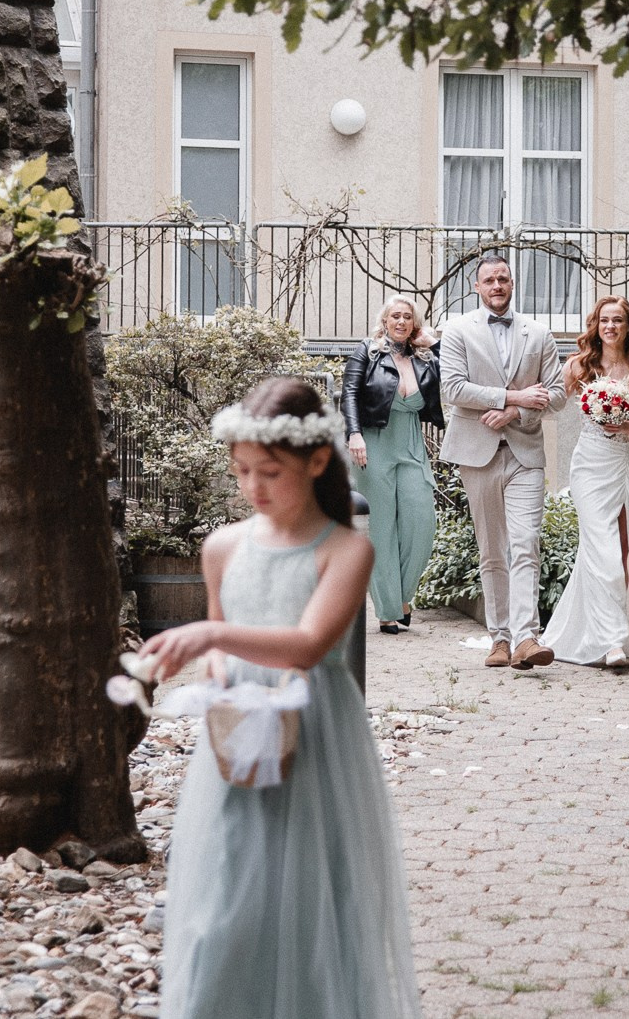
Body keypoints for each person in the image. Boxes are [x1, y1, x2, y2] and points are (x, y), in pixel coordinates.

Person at [137, 377, 420, 1019]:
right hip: (238, 729)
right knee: (226, 891)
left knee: (309, 896)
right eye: (241, 472)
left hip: (314, 730)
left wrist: (213, 635)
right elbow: (219, 637)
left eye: (269, 471)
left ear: (317, 461)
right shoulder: (223, 547)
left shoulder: (347, 549)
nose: (253, 488)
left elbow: (308, 644)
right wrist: (214, 670)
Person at [436, 253, 567, 670]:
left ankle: (528, 637)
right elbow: (454, 388)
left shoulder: (539, 333)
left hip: (525, 452)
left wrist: (517, 413)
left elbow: (559, 393)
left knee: (526, 543)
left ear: (512, 284)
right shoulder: (457, 330)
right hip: (477, 454)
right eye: (489, 280)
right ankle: (499, 639)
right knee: (493, 550)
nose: (497, 286)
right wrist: (513, 397)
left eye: (503, 279)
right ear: (477, 287)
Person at [542, 296, 629, 668]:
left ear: (628, 326)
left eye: (618, 320)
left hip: (625, 461)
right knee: (601, 548)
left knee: (622, 549)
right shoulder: (578, 366)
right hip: (589, 464)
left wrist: (626, 425)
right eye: (604, 320)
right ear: (595, 325)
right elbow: (553, 402)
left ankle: (612, 634)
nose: (611, 327)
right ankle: (612, 641)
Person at [341, 295, 444, 634]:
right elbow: (350, 393)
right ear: (384, 321)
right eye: (395, 316)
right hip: (373, 443)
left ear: (415, 324)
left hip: (411, 442)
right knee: (382, 530)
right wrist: (354, 433)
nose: (401, 321)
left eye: (407, 317)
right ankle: (388, 610)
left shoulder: (426, 358)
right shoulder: (367, 352)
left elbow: (457, 373)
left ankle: (403, 597)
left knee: (421, 523)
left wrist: (433, 342)